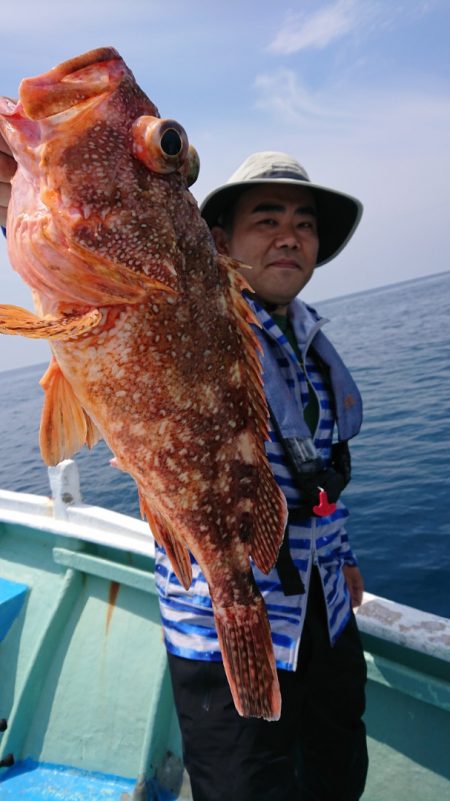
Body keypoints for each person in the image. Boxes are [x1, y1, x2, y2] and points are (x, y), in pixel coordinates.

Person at [0, 140, 368, 800]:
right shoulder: (189, 307)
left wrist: (339, 556)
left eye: (305, 224)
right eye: (269, 219)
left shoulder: (311, 339)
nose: (290, 237)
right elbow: (122, 269)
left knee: (339, 778)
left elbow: (323, 476)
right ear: (217, 235)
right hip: (213, 625)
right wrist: (25, 202)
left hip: (327, 618)